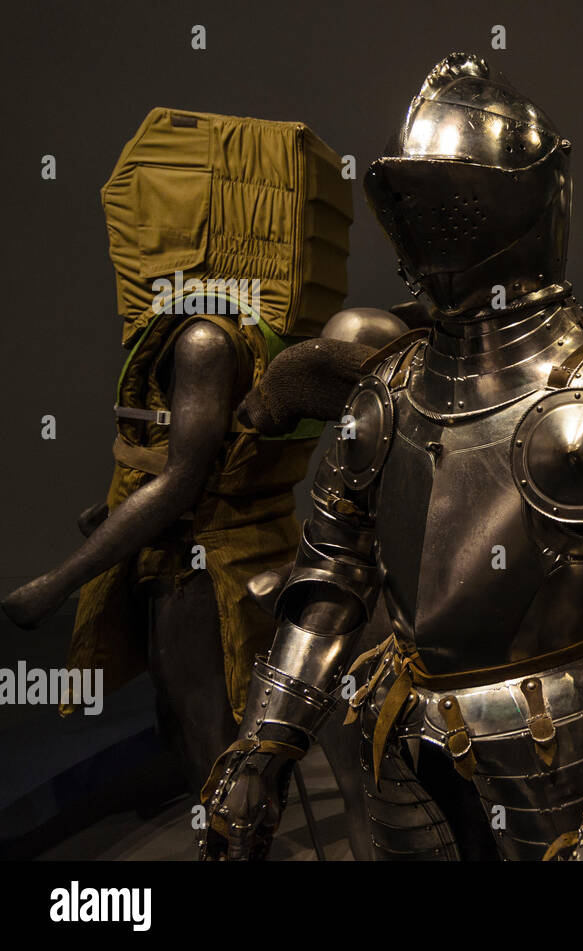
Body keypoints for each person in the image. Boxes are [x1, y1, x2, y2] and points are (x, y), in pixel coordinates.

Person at [198, 54, 583, 863]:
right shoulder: (385, 395)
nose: (430, 224)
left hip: (563, 747)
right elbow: (326, 583)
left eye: (445, 204)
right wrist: (261, 748)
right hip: (404, 737)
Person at [0, 109, 351, 795]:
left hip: (198, 566)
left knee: (207, 738)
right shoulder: (255, 332)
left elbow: (184, 481)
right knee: (214, 724)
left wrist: (56, 582)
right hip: (257, 541)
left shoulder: (202, 341)